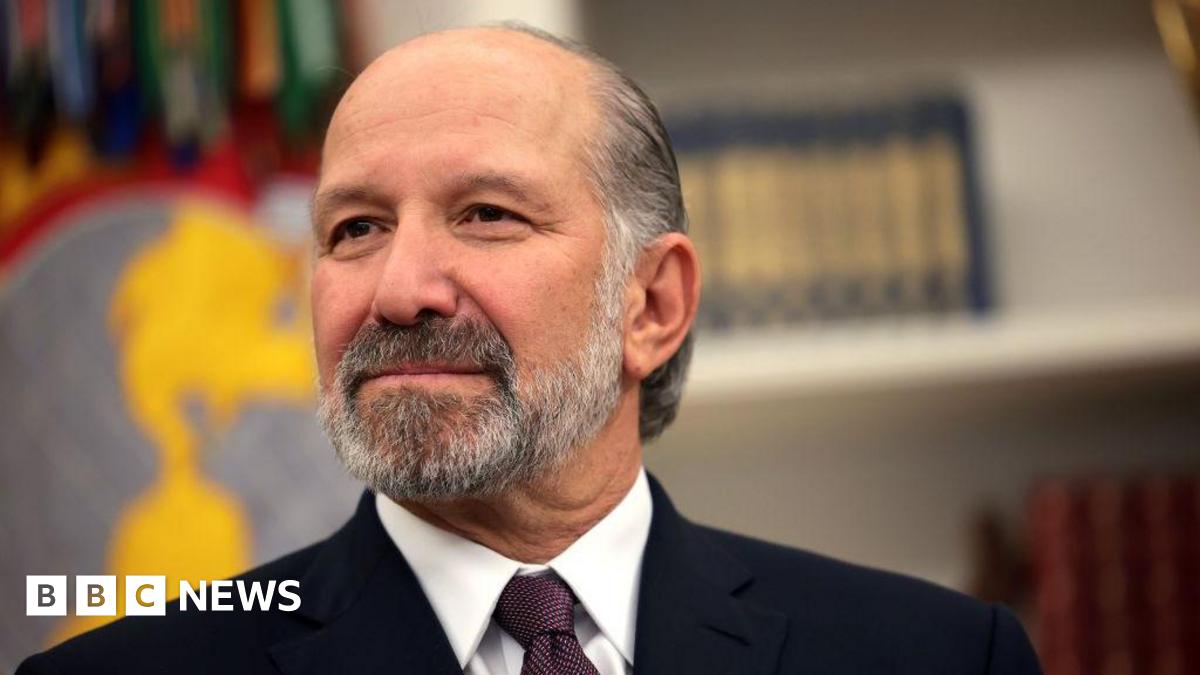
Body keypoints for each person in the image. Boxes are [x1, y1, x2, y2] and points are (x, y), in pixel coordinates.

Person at [17, 25, 1042, 675]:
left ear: (652, 304)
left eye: (487, 214)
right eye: (355, 229)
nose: (400, 290)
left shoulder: (939, 657)